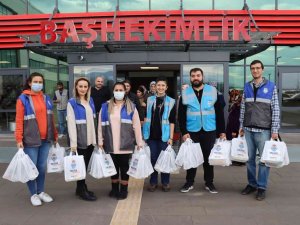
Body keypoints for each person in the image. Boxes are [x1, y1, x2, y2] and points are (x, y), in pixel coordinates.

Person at [178, 68, 225, 194]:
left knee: (208, 158)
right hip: (192, 130)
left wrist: (222, 131)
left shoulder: (213, 91)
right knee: (191, 158)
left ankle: (209, 183)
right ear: (190, 78)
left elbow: (220, 113)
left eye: (198, 75)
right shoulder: (185, 93)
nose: (196, 78)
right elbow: (181, 115)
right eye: (193, 76)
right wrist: (184, 132)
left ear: (202, 76)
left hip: (209, 129)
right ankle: (189, 182)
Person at [239, 60, 280, 201]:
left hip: (264, 131)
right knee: (249, 159)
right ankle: (252, 184)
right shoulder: (247, 86)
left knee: (263, 160)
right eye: (253, 68)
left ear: (262, 70)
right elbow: (243, 109)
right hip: (248, 129)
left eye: (257, 68)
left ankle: (261, 187)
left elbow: (275, 109)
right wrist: (241, 127)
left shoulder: (271, 86)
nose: (255, 70)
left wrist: (275, 130)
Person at [15, 72, 58, 206]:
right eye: (36, 81)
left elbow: (51, 118)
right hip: (30, 139)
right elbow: (19, 120)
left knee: (41, 167)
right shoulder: (23, 99)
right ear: (29, 82)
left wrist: (55, 135)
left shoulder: (46, 98)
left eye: (40, 82)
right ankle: (33, 194)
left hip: (45, 139)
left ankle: (41, 191)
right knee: (31, 168)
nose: (38, 84)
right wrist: (19, 139)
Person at [98, 82, 144, 200]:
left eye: (121, 90)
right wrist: (100, 141)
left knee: (124, 168)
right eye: (116, 90)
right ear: (113, 91)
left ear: (125, 91)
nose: (118, 92)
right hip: (110, 142)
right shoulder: (105, 106)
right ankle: (114, 189)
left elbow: (137, 126)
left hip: (125, 143)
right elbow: (100, 125)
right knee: (112, 168)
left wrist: (139, 142)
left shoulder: (131, 106)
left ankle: (123, 190)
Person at [143, 77, 176, 192]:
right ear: (154, 87)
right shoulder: (149, 100)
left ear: (166, 87)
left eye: (163, 85)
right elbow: (145, 117)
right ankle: (153, 182)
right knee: (153, 158)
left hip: (165, 136)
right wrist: (143, 135)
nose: (160, 87)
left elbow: (172, 121)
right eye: (158, 85)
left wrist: (171, 137)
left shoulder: (171, 101)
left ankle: (165, 182)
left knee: (164, 159)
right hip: (151, 135)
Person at [67, 77, 97, 201]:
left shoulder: (90, 101)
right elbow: (71, 124)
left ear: (88, 88)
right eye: (80, 86)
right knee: (81, 166)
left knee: (84, 166)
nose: (83, 89)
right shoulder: (72, 102)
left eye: (85, 86)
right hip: (80, 141)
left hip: (90, 140)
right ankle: (81, 190)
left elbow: (93, 121)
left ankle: (81, 187)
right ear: (76, 87)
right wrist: (73, 143)